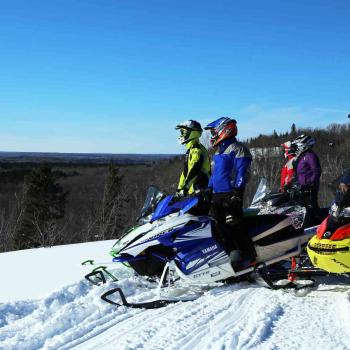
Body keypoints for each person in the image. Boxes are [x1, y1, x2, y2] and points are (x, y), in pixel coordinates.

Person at [204, 117, 255, 264]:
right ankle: (229, 259)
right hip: (216, 196)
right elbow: (214, 175)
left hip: (230, 194)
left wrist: (238, 192)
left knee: (235, 226)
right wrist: (208, 190)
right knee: (218, 229)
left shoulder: (238, 148)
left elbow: (242, 172)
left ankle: (248, 259)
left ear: (224, 130)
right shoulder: (219, 152)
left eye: (214, 132)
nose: (212, 136)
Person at [175, 120, 211, 198]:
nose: (181, 135)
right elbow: (185, 173)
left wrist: (185, 189)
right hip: (193, 193)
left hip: (201, 192)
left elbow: (194, 171)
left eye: (182, 132)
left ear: (191, 133)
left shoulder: (197, 150)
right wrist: (179, 189)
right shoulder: (190, 150)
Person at [292, 134, 322, 212]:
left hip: (310, 188)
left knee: (312, 208)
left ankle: (321, 221)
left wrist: (311, 183)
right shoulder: (302, 156)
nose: (297, 148)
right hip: (302, 188)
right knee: (303, 209)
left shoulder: (310, 156)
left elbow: (317, 171)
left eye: (298, 146)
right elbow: (299, 173)